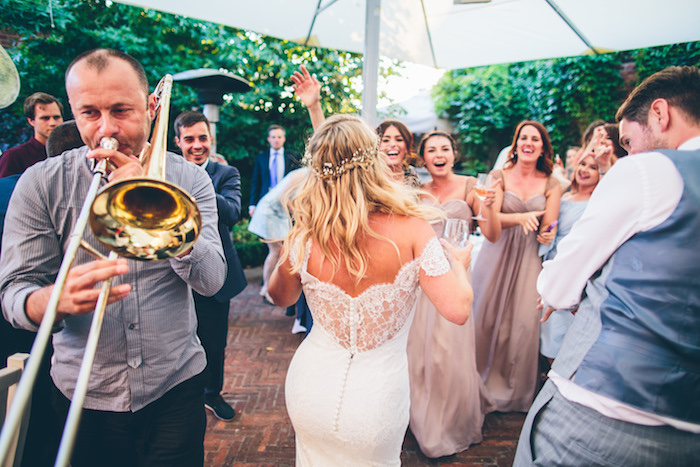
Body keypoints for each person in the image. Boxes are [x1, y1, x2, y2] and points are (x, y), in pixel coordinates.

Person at [0, 49, 226, 467]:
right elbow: (15, 290)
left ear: (151, 106)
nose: (106, 129)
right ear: (73, 111)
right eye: (89, 113)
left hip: (174, 384)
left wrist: (161, 212)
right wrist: (48, 300)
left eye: (121, 110)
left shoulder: (190, 178)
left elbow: (212, 281)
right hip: (82, 391)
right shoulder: (41, 183)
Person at [514, 65, 700, 466]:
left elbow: (557, 286)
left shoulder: (650, 169)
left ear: (660, 114)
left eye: (630, 141)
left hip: (603, 409)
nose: (630, 153)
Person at [267, 114, 473, 465]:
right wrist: (461, 267)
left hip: (309, 389)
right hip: (376, 401)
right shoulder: (414, 228)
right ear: (373, 160)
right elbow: (458, 309)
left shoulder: (304, 233)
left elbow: (281, 296)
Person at [406, 130, 500, 458]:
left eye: (444, 148)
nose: (439, 154)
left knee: (447, 350)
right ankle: (418, 413)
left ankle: (447, 421)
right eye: (432, 150)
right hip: (424, 277)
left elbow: (490, 232)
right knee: (420, 351)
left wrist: (491, 206)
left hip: (456, 274)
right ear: (423, 159)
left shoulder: (472, 186)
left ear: (453, 154)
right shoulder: (415, 191)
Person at [472, 121, 561, 412]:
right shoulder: (498, 176)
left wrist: (547, 231)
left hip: (528, 258)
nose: (528, 143)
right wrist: (523, 217)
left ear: (543, 148)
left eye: (535, 139)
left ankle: (513, 392)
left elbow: (549, 224)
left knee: (522, 324)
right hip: (495, 253)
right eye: (523, 137)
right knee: (485, 318)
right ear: (515, 143)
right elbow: (489, 220)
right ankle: (476, 384)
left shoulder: (551, 183)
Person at [174, 110, 247, 421]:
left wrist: (199, 183)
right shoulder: (167, 172)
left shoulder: (225, 172)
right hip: (175, 273)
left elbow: (232, 213)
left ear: (210, 139)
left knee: (214, 341)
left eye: (202, 138)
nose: (197, 145)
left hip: (215, 270)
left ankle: (212, 394)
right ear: (178, 141)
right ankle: (182, 396)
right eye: (189, 139)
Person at [291, 65, 421, 188]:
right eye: (386, 140)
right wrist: (314, 107)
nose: (392, 144)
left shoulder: (413, 177)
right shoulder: (365, 174)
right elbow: (330, 146)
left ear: (407, 148)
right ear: (375, 147)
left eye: (399, 139)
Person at [538, 152, 601, 364]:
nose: (584, 170)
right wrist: (546, 235)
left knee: (565, 328)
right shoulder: (563, 196)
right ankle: (548, 370)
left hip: (577, 269)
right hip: (552, 263)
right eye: (582, 164)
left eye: (593, 167)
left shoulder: (598, 203)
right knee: (548, 329)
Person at [249, 124, 299, 313]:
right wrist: (252, 204)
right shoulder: (261, 158)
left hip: (282, 208)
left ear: (284, 138)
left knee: (280, 250)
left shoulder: (292, 157)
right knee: (276, 250)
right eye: (273, 137)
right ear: (269, 139)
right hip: (269, 206)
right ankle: (268, 286)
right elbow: (256, 181)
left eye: (279, 136)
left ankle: (272, 285)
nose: (276, 140)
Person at [0, 92, 63, 177]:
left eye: (56, 117)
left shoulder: (70, 152)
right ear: (31, 121)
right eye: (45, 118)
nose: (52, 123)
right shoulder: (14, 157)